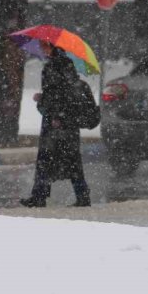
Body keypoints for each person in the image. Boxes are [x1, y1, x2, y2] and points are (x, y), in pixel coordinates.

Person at [21, 45, 91, 208]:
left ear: (55, 48)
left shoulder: (58, 67)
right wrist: (43, 98)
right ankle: (43, 195)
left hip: (59, 122)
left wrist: (58, 115)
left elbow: (62, 94)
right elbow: (58, 93)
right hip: (60, 120)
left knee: (56, 160)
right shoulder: (60, 66)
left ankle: (42, 196)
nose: (43, 49)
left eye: (46, 46)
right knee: (62, 160)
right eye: (43, 46)